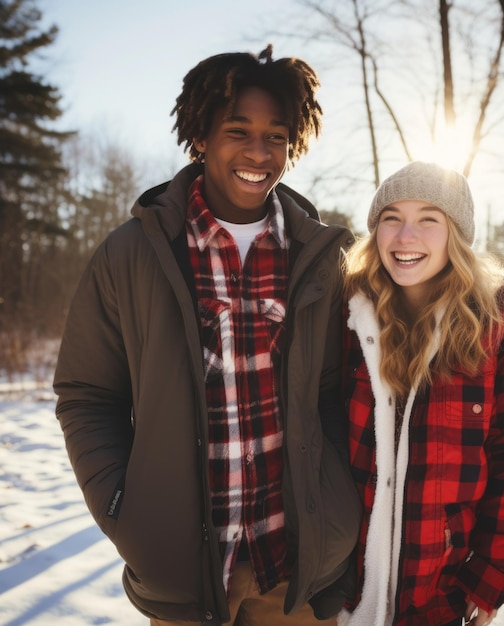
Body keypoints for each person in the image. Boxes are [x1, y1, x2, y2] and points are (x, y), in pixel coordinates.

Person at [53, 45, 361, 626]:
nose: (258, 152)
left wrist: (336, 501)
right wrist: (125, 508)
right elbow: (88, 394)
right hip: (185, 569)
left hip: (295, 567)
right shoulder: (132, 253)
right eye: (237, 131)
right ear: (199, 134)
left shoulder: (325, 258)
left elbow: (341, 391)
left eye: (276, 136)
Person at [339, 161, 504, 626]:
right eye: (392, 218)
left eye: (429, 219)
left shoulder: (493, 328)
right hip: (340, 590)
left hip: (440, 594)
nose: (406, 236)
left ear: (456, 235)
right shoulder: (345, 317)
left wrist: (490, 581)